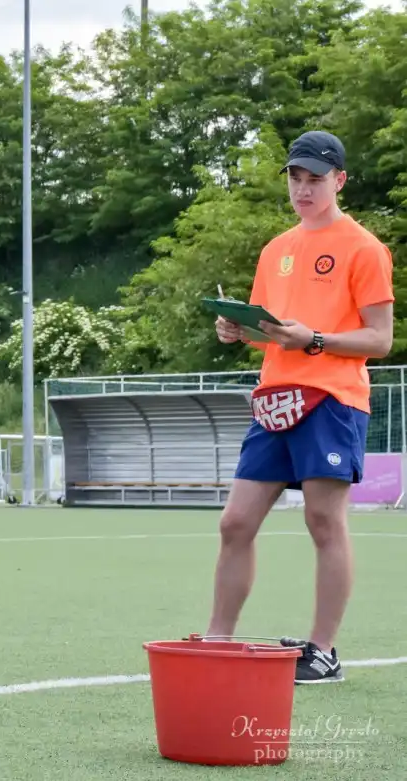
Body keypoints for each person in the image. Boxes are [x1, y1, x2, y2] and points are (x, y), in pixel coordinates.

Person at [208, 130, 394, 684]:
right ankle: (218, 638)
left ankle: (324, 650)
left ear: (339, 180)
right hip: (275, 398)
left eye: (316, 179)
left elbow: (379, 339)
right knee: (235, 522)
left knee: (323, 521)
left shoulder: (364, 247)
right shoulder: (276, 250)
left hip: (333, 400)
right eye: (296, 177)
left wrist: (313, 339)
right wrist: (239, 331)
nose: (304, 189)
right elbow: (275, 331)